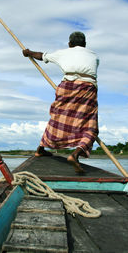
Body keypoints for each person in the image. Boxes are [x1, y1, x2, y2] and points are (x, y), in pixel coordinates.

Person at [22, 31, 99, 173]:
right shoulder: (94, 55)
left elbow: (41, 55)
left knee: (57, 117)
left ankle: (40, 149)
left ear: (70, 44)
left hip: (67, 86)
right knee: (90, 125)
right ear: (85, 44)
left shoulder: (65, 52)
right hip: (87, 88)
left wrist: (29, 53)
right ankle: (75, 154)